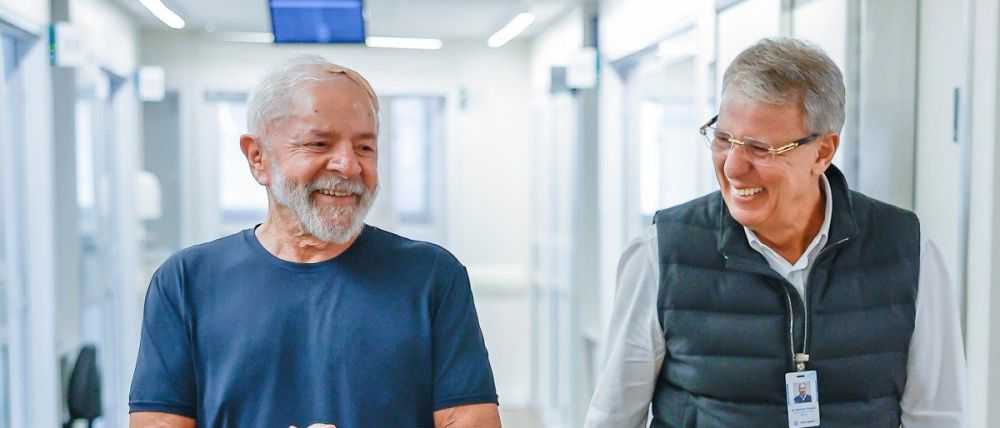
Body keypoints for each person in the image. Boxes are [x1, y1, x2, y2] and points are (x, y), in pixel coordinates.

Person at [584, 38, 966, 427]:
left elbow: (937, 417)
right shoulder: (661, 255)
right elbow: (613, 417)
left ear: (822, 152)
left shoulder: (907, 252)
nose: (732, 167)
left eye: (759, 148)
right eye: (724, 140)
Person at [129, 55, 501, 428]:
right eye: (319, 144)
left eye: (365, 148)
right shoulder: (186, 282)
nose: (349, 166)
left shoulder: (432, 276)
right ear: (258, 157)